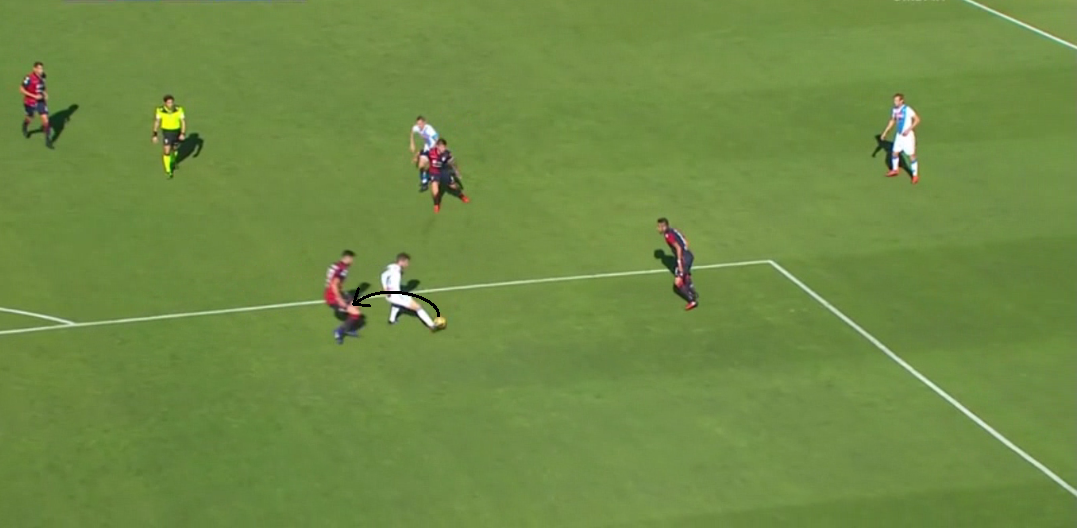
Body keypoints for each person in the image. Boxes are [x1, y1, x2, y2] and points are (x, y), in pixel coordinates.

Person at [381, 253, 440, 332]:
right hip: (395, 295)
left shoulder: (393, 267)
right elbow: (383, 276)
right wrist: (385, 288)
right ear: (401, 261)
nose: (408, 264)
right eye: (406, 262)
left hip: (396, 294)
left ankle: (391, 320)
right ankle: (432, 326)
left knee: (397, 304)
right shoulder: (395, 269)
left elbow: (386, 275)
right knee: (418, 307)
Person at [657, 218, 698, 311]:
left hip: (683, 258)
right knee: (685, 275)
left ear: (664, 227)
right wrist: (685, 248)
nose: (657, 229)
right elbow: (684, 238)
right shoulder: (674, 230)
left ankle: (692, 300)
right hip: (689, 255)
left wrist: (679, 262)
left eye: (659, 227)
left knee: (678, 282)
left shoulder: (668, 236)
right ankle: (692, 291)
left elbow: (678, 248)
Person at [325, 250, 364, 344]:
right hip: (333, 296)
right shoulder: (342, 269)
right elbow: (334, 284)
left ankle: (349, 327)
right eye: (352, 259)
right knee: (356, 313)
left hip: (335, 293)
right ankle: (339, 331)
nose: (352, 261)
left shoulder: (337, 265)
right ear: (347, 258)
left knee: (356, 305)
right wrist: (340, 299)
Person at [879, 93, 920, 184]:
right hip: (899, 136)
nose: (895, 102)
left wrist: (909, 129)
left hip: (907, 136)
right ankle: (895, 170)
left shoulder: (907, 109)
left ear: (902, 101)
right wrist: (885, 132)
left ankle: (915, 175)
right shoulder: (895, 110)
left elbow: (917, 119)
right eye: (894, 100)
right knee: (895, 152)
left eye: (897, 100)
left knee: (911, 155)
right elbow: (892, 120)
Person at [427, 138, 470, 213]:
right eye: (441, 147)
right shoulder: (431, 152)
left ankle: (461, 195)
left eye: (444, 147)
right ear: (437, 146)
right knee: (435, 190)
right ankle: (436, 204)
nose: (443, 149)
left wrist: (457, 172)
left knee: (454, 186)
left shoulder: (447, 154)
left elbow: (452, 163)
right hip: (434, 173)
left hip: (444, 172)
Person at [152, 95, 186, 178]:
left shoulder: (179, 109)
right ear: (165, 103)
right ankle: (168, 171)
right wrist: (155, 134)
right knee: (167, 150)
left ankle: (173, 162)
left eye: (172, 102)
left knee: (174, 149)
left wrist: (182, 133)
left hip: (177, 131)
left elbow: (183, 121)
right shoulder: (160, 110)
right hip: (167, 132)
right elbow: (157, 122)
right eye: (169, 103)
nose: (170, 104)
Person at [20, 62, 51, 149]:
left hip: (40, 101)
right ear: (34, 69)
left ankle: (48, 140)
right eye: (39, 68)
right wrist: (34, 96)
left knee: (45, 119)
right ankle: (25, 125)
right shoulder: (29, 78)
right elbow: (21, 89)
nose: (41, 70)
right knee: (30, 117)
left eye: (42, 68)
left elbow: (43, 86)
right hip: (30, 101)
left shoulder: (43, 76)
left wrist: (45, 93)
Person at [409, 116, 439, 191]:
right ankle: (425, 181)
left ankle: (427, 178)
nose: (419, 126)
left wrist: (433, 149)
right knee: (420, 165)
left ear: (424, 123)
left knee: (433, 166)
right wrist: (412, 143)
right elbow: (412, 130)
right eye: (418, 124)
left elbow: (437, 139)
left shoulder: (429, 129)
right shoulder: (417, 128)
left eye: (420, 124)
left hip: (434, 149)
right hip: (427, 149)